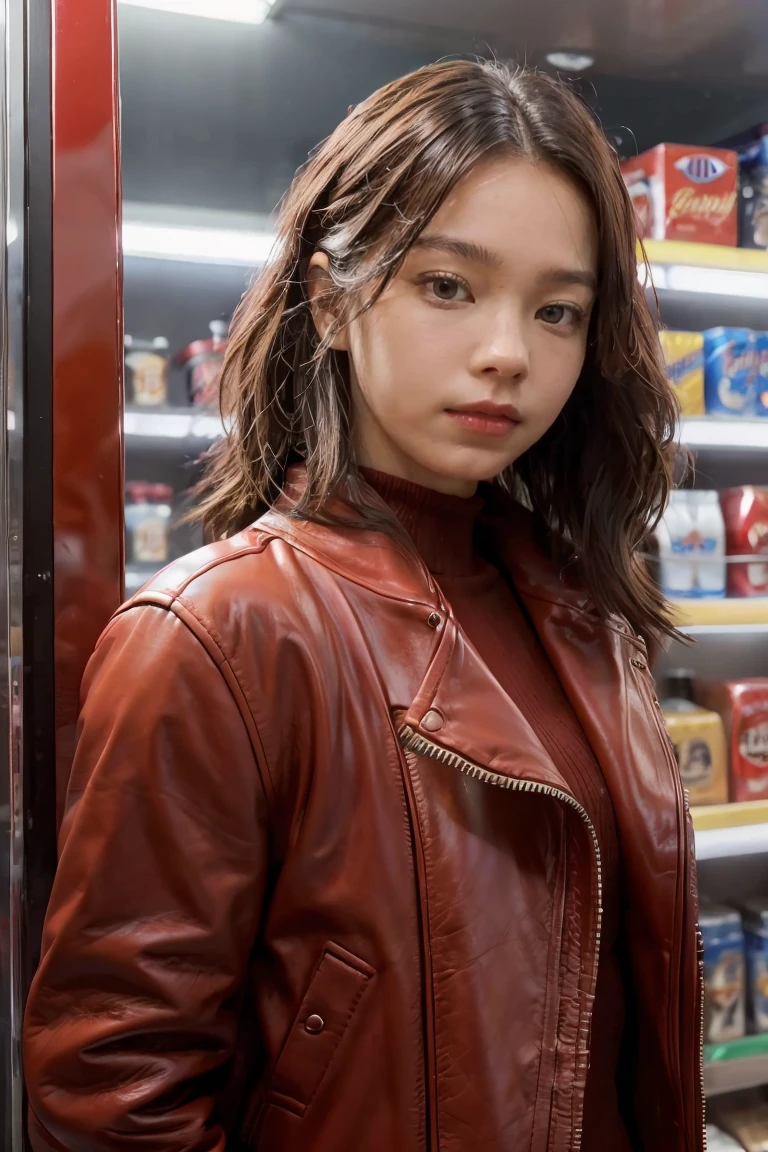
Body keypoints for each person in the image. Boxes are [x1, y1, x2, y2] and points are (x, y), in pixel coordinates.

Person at [23, 60, 704, 1152]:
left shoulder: (584, 617)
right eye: (447, 285)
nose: (507, 353)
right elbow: (113, 1095)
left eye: (558, 310)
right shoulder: (219, 633)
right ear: (335, 299)